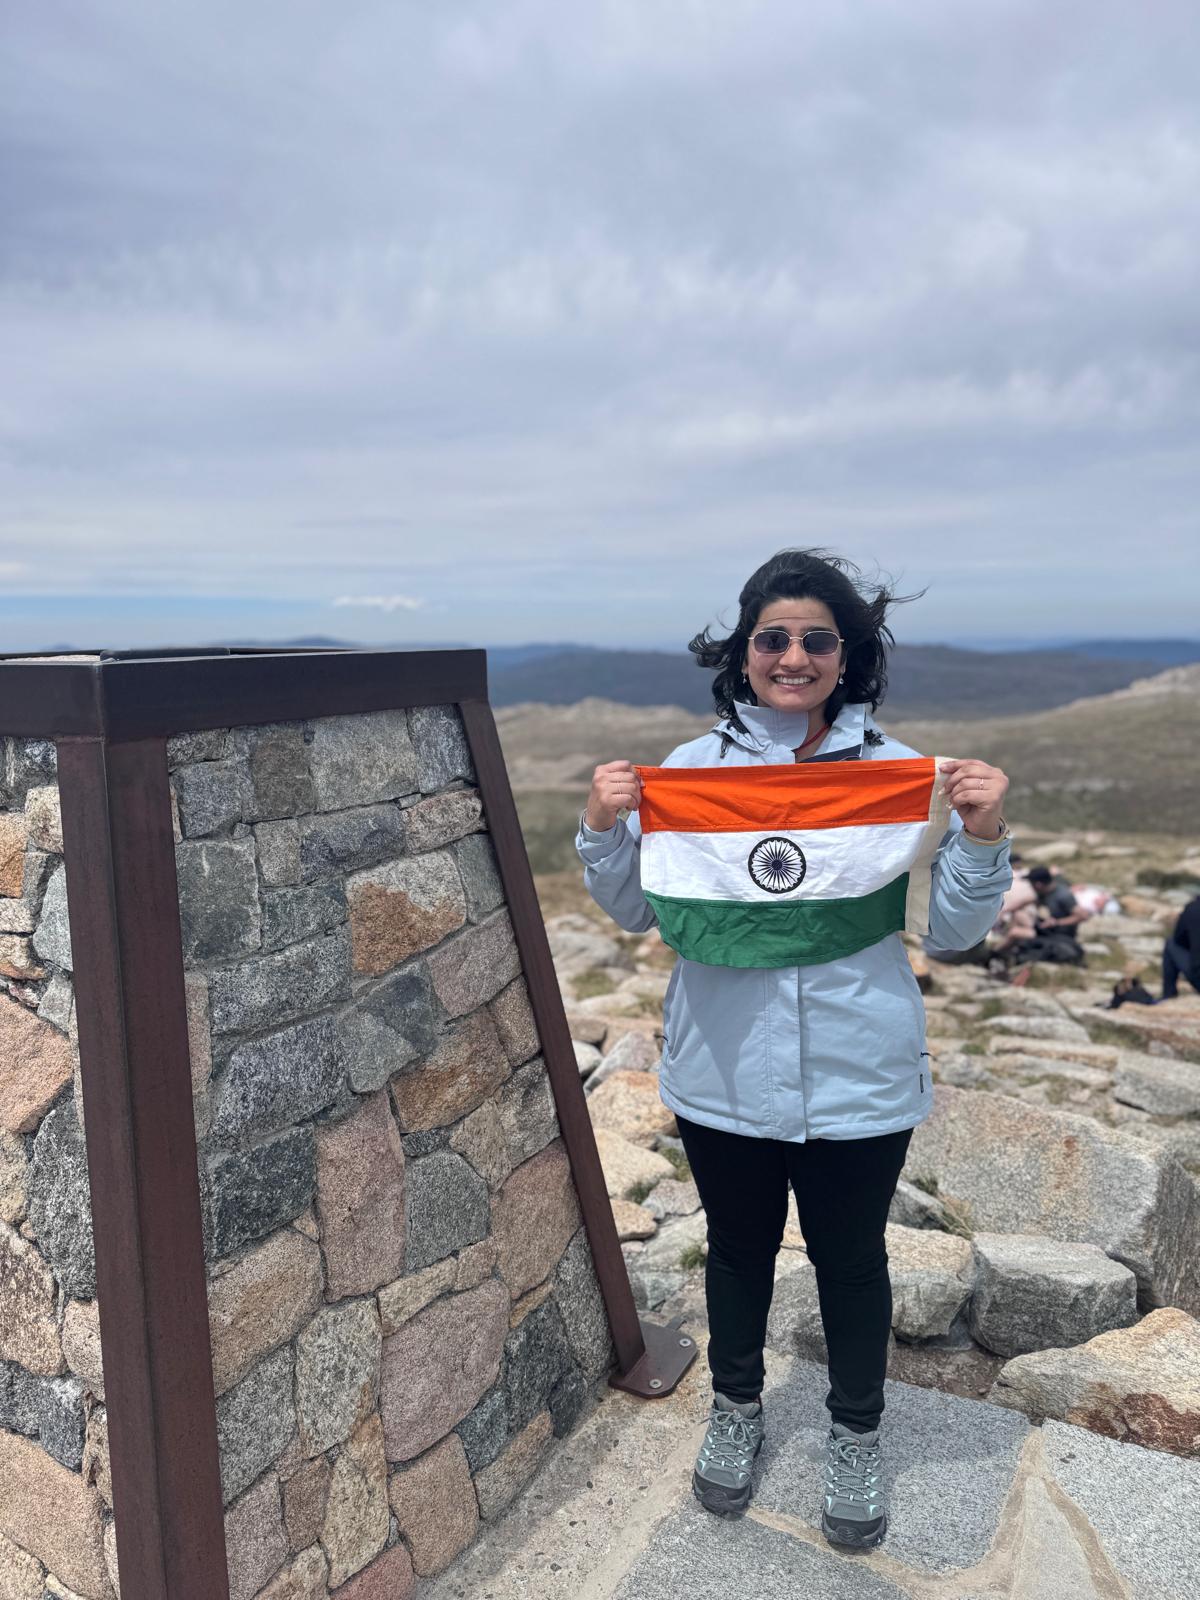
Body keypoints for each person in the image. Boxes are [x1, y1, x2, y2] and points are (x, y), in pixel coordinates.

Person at [576, 549, 1012, 1551]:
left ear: (847, 654)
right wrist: (605, 827)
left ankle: (855, 1433)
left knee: (851, 1259)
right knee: (735, 1249)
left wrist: (981, 838)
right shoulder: (690, 774)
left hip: (859, 1075)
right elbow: (643, 908)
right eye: (773, 637)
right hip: (722, 1073)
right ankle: (737, 1408)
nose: (794, 655)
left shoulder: (892, 772)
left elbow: (949, 936)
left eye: (819, 638)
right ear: (744, 650)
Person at [1161, 893, 1200, 1000]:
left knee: (1170, 943)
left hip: (1197, 976)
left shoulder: (1192, 908)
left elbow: (1178, 938)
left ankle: (1168, 996)